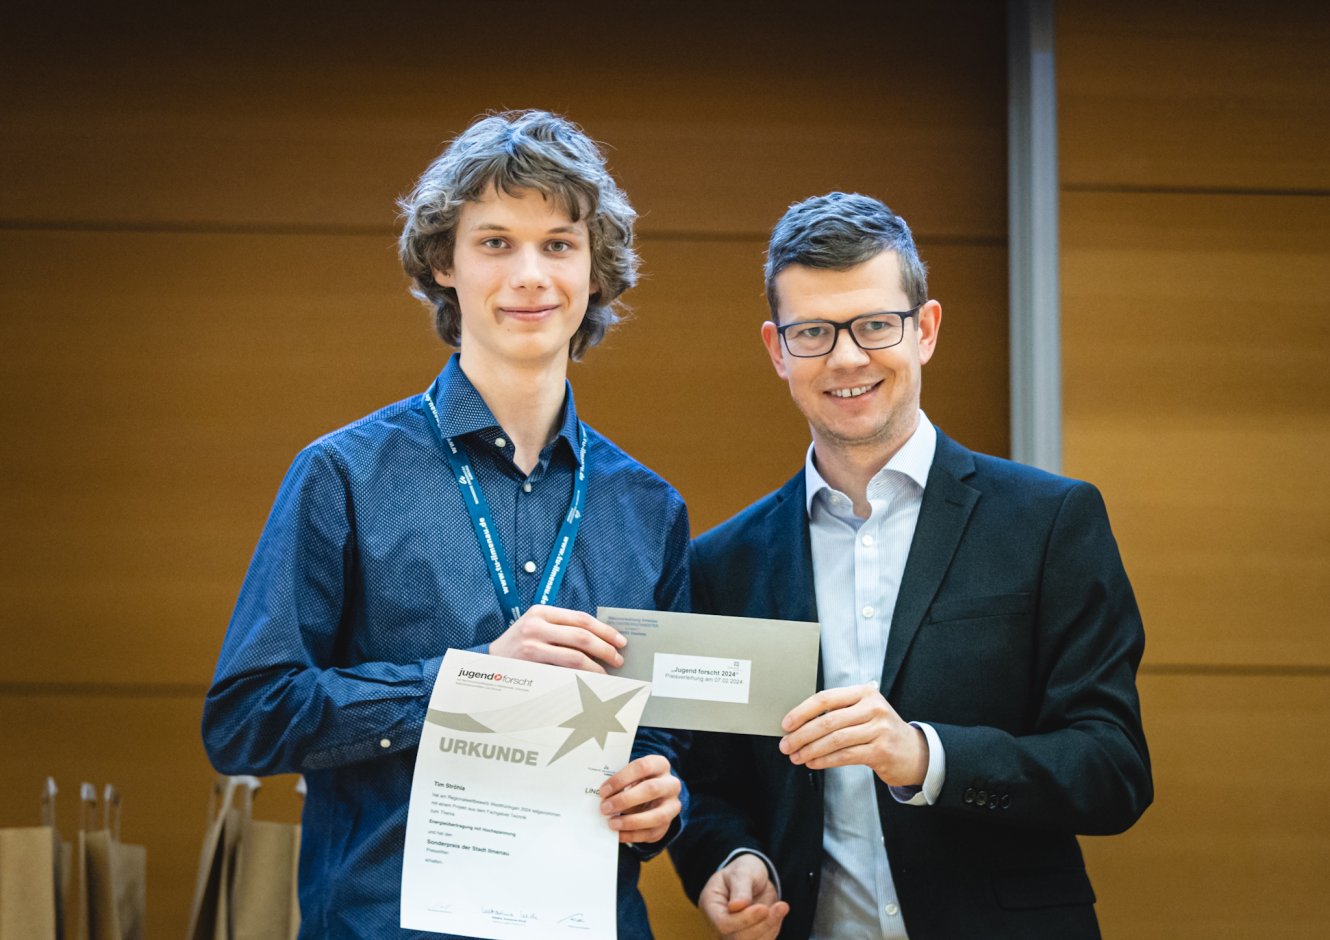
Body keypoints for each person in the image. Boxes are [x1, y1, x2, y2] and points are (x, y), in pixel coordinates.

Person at [202, 110, 689, 939]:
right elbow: (247, 719)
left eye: (559, 244)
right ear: (443, 264)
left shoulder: (648, 508)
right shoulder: (345, 475)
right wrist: (469, 682)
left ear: (597, 272)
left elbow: (669, 739)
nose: (530, 275)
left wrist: (664, 799)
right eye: (495, 242)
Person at [668, 192, 1152, 939]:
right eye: (813, 333)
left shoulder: (1050, 522)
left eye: (873, 325)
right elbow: (708, 778)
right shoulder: (723, 562)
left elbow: (1112, 770)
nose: (847, 358)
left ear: (923, 329)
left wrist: (925, 756)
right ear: (777, 350)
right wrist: (729, 855)